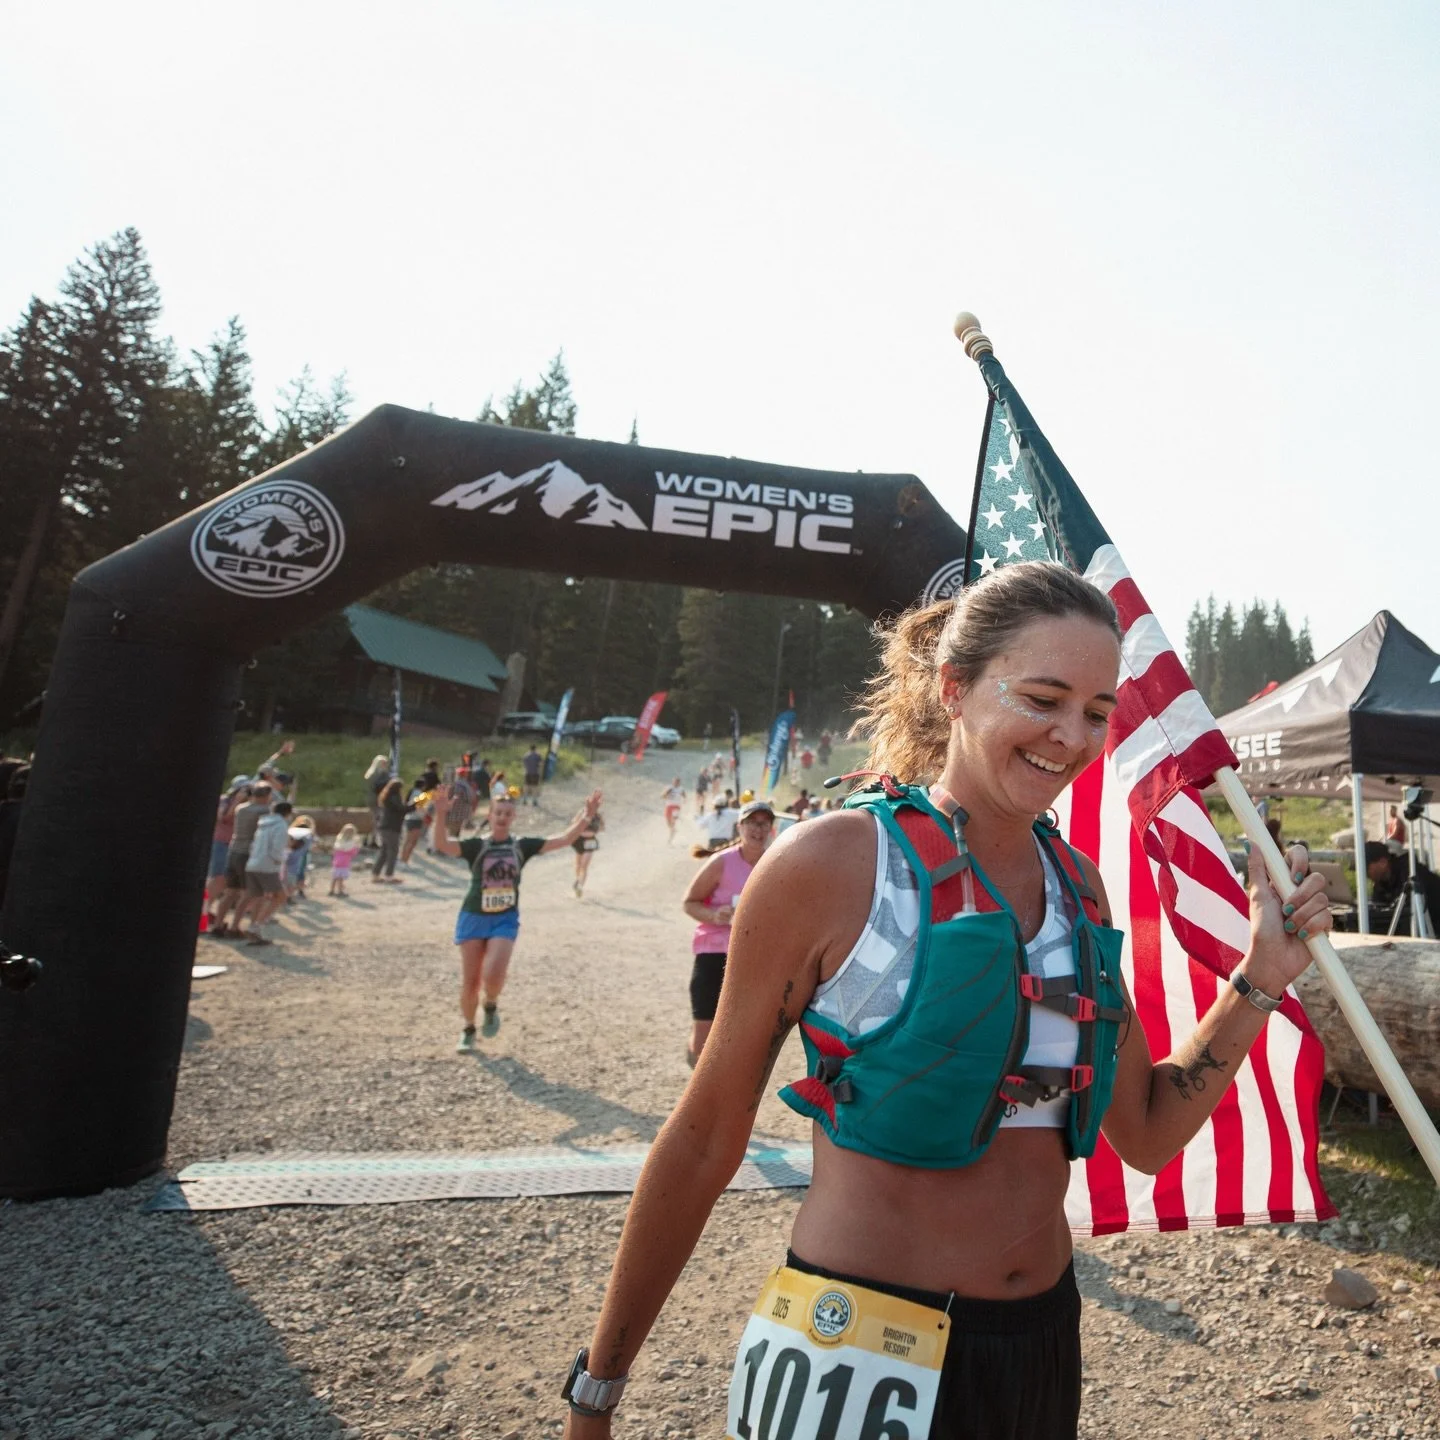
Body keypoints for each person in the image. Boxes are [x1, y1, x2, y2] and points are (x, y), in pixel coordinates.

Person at [560, 562, 1331, 1440]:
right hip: (852, 1346)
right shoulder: (830, 866)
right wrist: (599, 1388)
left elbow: (1148, 1132)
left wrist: (1262, 977)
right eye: (1042, 698)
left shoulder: (1082, 891)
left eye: (1095, 712)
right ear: (955, 689)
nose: (1070, 737)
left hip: (1036, 1343)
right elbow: (703, 1138)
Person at [432, 784, 603, 1048]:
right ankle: (467, 1030)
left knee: (494, 973)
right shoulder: (476, 846)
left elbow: (565, 839)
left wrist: (587, 815)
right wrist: (440, 813)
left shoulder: (522, 846)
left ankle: (490, 1005)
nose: (502, 817)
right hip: (473, 916)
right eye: (498, 812)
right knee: (471, 980)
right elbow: (442, 844)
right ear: (489, 815)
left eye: (507, 813)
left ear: (513, 818)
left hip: (504, 918)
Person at [680, 798, 774, 1066]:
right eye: (752, 823)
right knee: (703, 1037)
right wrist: (714, 915)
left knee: (741, 1034)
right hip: (714, 952)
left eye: (764, 823)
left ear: (771, 828)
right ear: (739, 826)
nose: (758, 829)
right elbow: (689, 902)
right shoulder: (720, 863)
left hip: (752, 954)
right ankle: (696, 1056)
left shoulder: (775, 862)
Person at [211, 781, 272, 936]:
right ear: (266, 796)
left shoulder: (240, 809)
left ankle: (218, 925)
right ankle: (234, 927)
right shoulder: (264, 811)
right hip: (249, 854)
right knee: (248, 893)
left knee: (230, 891)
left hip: (234, 851)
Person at [240, 800, 294, 946]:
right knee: (280, 896)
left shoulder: (263, 823)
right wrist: (278, 860)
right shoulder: (281, 825)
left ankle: (254, 930)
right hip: (267, 865)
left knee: (258, 897)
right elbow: (277, 846)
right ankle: (257, 925)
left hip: (253, 863)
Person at [1364, 839, 1440, 933]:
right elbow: (1379, 908)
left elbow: (1410, 908)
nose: (1363, 873)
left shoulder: (1410, 872)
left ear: (1383, 862)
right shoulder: (1381, 883)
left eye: (1365, 867)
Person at [372, 778, 406, 882]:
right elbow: (401, 809)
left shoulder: (387, 797)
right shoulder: (395, 798)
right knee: (393, 852)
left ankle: (376, 874)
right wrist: (415, 803)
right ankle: (389, 875)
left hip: (384, 827)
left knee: (384, 851)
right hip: (392, 828)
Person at [572, 806, 604, 898]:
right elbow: (574, 822)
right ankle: (578, 880)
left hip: (590, 841)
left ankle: (580, 886)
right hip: (579, 840)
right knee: (578, 865)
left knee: (584, 866)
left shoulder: (598, 816)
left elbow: (602, 827)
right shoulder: (582, 812)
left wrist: (596, 829)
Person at [283, 815, 316, 900]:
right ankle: (292, 894)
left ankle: (289, 895)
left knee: (289, 877)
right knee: (297, 875)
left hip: (291, 857)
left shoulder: (291, 833)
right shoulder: (308, 836)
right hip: (299, 858)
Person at [363, 754, 391, 848]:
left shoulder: (370, 773)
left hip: (370, 797)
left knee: (371, 818)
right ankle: (373, 840)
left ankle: (367, 838)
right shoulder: (382, 774)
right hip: (378, 799)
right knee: (377, 819)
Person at [329, 823, 361, 896]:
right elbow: (353, 853)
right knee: (341, 878)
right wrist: (357, 849)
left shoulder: (339, 842)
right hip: (344, 862)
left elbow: (334, 852)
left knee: (335, 877)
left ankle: (331, 890)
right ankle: (340, 891)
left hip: (336, 862)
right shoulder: (351, 844)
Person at [661, 777, 686, 842]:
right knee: (668, 823)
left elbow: (684, 795)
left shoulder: (681, 789)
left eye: (677, 782)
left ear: (679, 783)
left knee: (673, 822)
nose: (676, 783)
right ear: (673, 782)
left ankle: (670, 839)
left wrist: (684, 800)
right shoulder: (669, 787)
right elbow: (662, 796)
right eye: (675, 781)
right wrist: (666, 794)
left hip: (676, 807)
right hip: (668, 806)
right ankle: (673, 830)